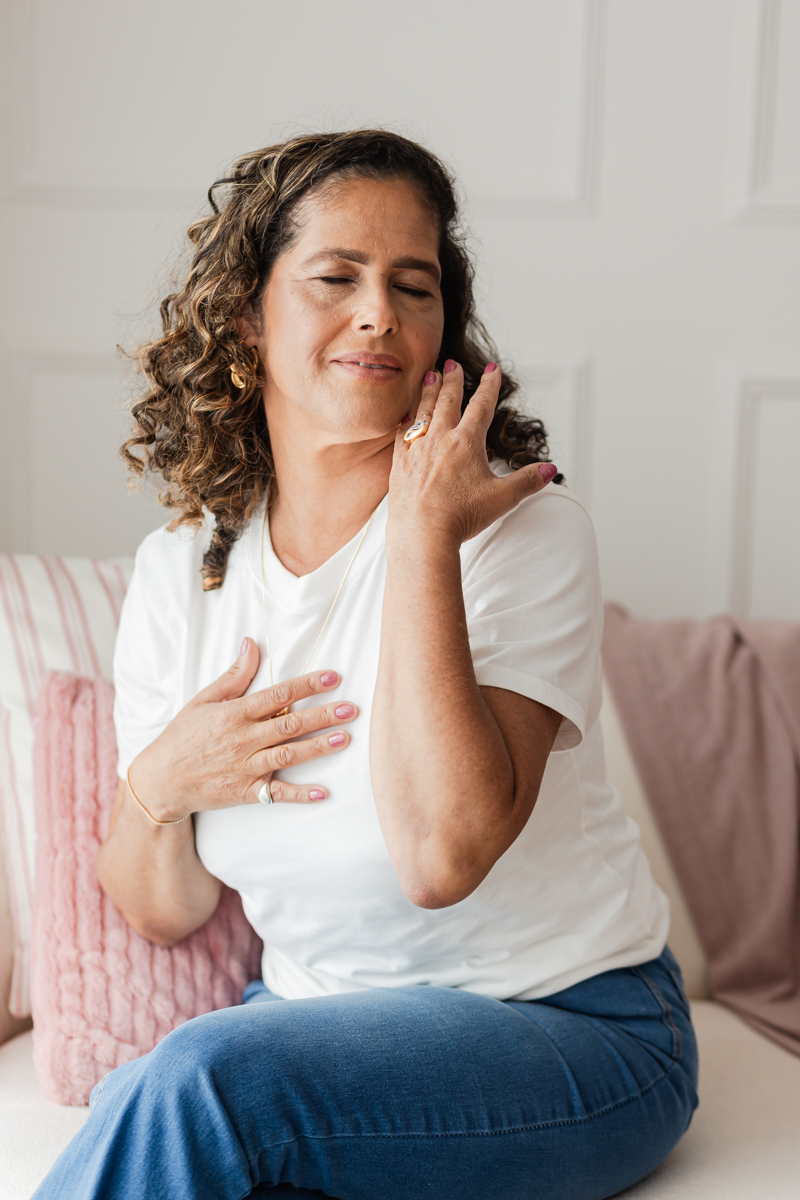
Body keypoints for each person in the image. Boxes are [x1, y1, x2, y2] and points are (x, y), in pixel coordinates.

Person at [34, 130, 697, 1200]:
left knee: (208, 1082)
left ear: (443, 327)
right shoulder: (182, 570)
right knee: (143, 1097)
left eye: (412, 284)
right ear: (247, 314)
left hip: (570, 1029)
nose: (378, 312)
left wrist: (419, 539)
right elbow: (162, 909)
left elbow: (440, 858)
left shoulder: (522, 535)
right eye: (334, 276)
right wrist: (161, 785)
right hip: (317, 1022)